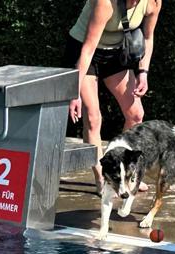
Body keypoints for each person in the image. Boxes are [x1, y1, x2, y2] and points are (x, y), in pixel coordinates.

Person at [65, 0, 162, 189]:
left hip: (115, 54)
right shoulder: (105, 3)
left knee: (135, 115)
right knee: (93, 118)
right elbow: (88, 49)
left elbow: (148, 38)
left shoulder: (153, 3)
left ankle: (123, 170)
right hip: (84, 53)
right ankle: (103, 177)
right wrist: (73, 92)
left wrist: (143, 72)